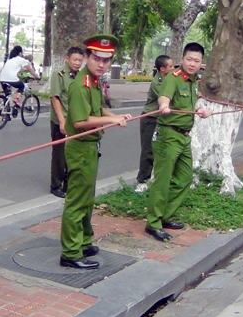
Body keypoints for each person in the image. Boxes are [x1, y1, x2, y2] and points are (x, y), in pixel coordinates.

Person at [60, 34, 132, 270]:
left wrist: (116, 116)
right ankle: (71, 252)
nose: (102, 64)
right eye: (97, 59)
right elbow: (81, 121)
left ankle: (83, 241)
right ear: (87, 57)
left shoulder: (94, 82)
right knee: (77, 201)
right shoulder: (81, 86)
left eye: (106, 60)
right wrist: (110, 122)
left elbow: (98, 108)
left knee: (87, 199)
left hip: (90, 147)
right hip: (80, 147)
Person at [145, 43, 211, 242]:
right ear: (182, 59)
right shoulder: (172, 78)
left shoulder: (192, 82)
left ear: (201, 64)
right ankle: (153, 223)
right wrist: (164, 105)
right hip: (168, 136)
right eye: (189, 59)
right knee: (162, 181)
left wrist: (201, 110)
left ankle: (164, 215)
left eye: (196, 61)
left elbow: (191, 104)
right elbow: (164, 97)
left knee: (184, 178)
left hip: (184, 136)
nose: (192, 64)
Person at [49, 46, 84, 198]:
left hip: (75, 120)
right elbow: (54, 98)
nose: (77, 63)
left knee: (73, 153)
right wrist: (62, 120)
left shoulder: (80, 76)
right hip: (60, 120)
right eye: (75, 59)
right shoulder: (59, 74)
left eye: (80, 61)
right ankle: (56, 185)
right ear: (67, 58)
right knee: (60, 154)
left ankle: (69, 184)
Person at [136, 55, 174, 194]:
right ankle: (142, 181)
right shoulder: (158, 83)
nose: (173, 68)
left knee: (161, 150)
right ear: (162, 69)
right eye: (170, 66)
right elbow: (168, 97)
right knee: (148, 150)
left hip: (161, 120)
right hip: (150, 119)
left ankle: (156, 179)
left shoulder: (169, 79)